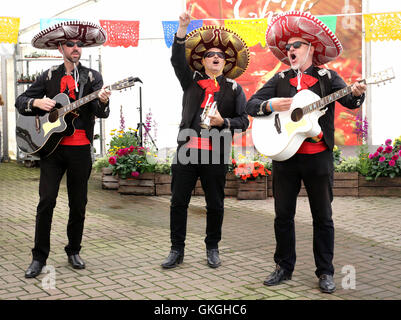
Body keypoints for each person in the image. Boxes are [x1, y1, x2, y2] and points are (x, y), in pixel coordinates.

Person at [246, 11, 366, 293]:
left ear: (311, 48)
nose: (290, 51)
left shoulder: (328, 78)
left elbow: (350, 100)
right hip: (285, 158)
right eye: (287, 47)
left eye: (296, 46)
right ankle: (283, 267)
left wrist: (358, 91)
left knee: (323, 217)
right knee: (282, 216)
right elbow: (252, 104)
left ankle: (325, 272)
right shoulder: (280, 79)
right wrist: (271, 106)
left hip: (318, 158)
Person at [15, 21, 111, 278]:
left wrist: (103, 101)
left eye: (79, 44)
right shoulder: (48, 77)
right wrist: (36, 101)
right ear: (61, 48)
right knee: (46, 202)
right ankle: (38, 257)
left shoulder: (92, 77)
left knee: (78, 204)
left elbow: (101, 113)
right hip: (52, 150)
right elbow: (20, 101)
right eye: (71, 44)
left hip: (81, 149)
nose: (76, 48)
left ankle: (74, 250)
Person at [161, 11, 249, 269]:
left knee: (215, 204)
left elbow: (244, 120)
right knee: (178, 202)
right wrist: (182, 28)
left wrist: (226, 123)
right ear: (202, 61)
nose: (215, 58)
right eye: (210, 55)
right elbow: (177, 59)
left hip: (216, 153)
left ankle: (212, 247)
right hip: (186, 151)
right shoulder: (191, 81)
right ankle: (176, 250)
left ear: (225, 62)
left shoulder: (234, 88)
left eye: (220, 55)